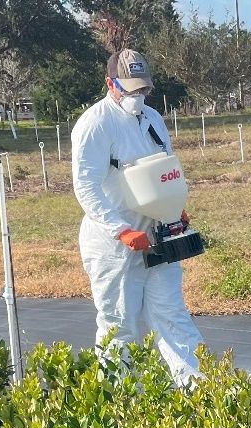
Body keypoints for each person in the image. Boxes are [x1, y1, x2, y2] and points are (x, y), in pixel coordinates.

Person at [70, 49, 204, 387]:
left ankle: (199, 393)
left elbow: (164, 170)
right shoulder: (94, 124)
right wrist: (121, 230)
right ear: (109, 83)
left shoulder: (153, 118)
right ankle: (121, 403)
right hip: (114, 246)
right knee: (120, 324)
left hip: (158, 235)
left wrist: (175, 208)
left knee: (172, 315)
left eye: (142, 89)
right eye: (129, 89)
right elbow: (85, 187)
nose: (137, 97)